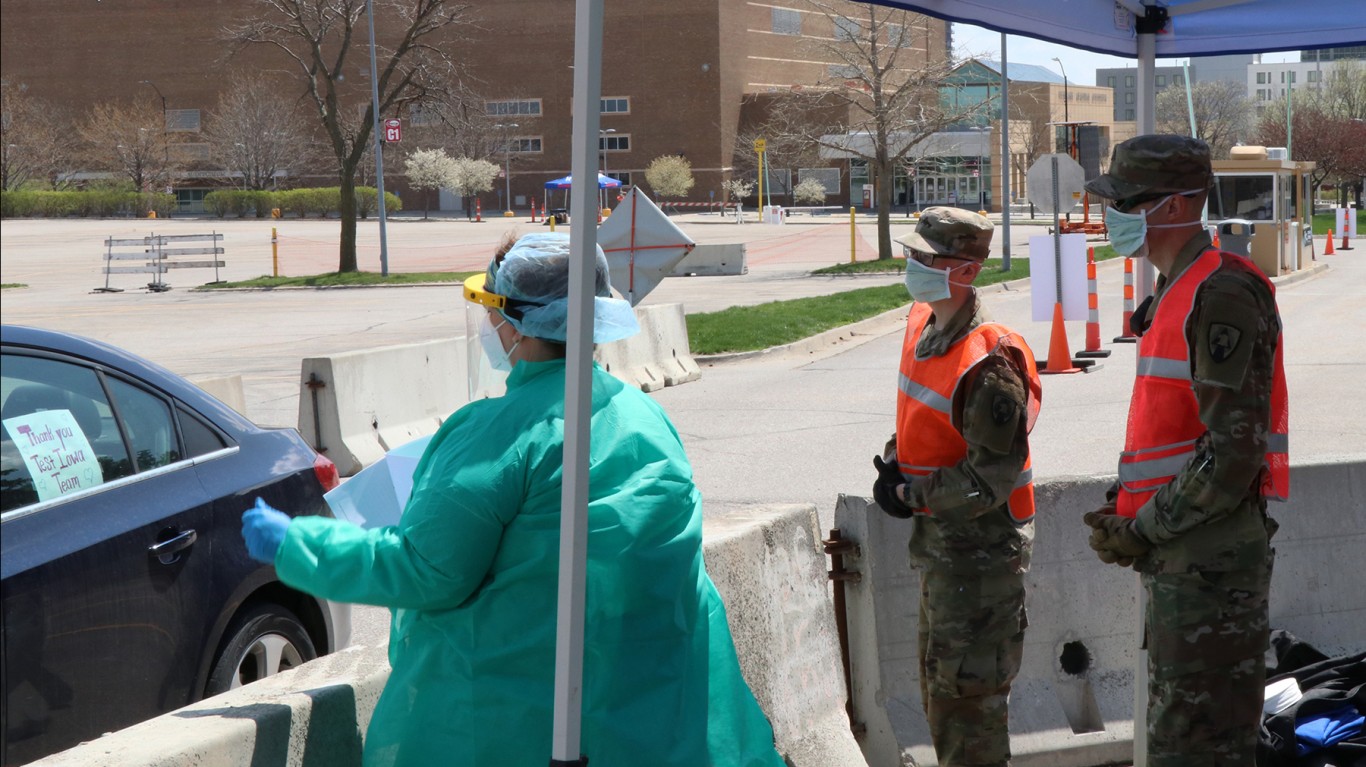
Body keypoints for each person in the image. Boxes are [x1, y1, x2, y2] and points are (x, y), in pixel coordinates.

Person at [241, 232, 784, 767]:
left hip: (519, 724)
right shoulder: (645, 418)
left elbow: (424, 572)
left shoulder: (498, 435)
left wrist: (299, 542)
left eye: (492, 310)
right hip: (649, 717)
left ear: (517, 323)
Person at [1080, 134, 1288, 767]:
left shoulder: (1219, 292)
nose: (1112, 216)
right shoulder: (1179, 287)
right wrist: (1127, 505)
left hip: (1210, 565)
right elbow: (1172, 431)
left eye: (1126, 201)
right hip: (1187, 556)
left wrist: (1142, 527)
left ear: (1173, 207)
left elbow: (1232, 452)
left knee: (1197, 747)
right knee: (1182, 738)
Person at [871, 207, 1042, 767]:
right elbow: (921, 418)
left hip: (979, 565)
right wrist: (897, 463)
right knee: (944, 703)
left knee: (968, 718)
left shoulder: (990, 361)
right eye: (912, 254)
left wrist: (907, 497)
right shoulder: (925, 326)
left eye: (925, 258)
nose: (912, 266)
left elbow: (986, 480)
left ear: (965, 272)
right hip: (944, 557)